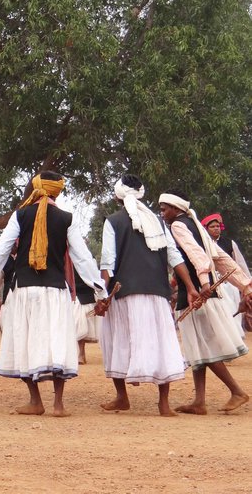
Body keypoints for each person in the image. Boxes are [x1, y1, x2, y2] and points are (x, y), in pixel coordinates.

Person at [0, 172, 106, 417]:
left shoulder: (20, 215)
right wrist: (100, 290)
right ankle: (58, 404)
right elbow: (83, 259)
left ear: (35, 188)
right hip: (55, 290)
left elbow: (1, 251)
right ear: (57, 191)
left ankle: (35, 401)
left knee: (24, 341)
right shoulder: (67, 218)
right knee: (57, 341)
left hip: (23, 290)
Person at [97, 175, 194, 416]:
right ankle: (163, 404)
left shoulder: (113, 221)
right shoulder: (158, 222)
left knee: (118, 340)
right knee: (162, 343)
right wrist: (191, 287)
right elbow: (175, 257)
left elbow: (108, 261)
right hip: (157, 292)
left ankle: (122, 397)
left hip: (124, 292)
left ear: (118, 195)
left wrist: (102, 293)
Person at [159, 190, 252, 414]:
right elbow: (220, 258)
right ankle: (199, 401)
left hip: (195, 294)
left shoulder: (178, 226)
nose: (162, 214)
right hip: (204, 292)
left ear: (176, 208)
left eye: (164, 209)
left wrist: (201, 284)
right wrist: (246, 285)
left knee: (204, 349)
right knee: (197, 348)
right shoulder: (195, 225)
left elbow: (198, 257)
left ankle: (236, 391)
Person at [201, 213, 249, 336]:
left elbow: (240, 263)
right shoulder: (202, 244)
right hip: (213, 284)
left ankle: (237, 335)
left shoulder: (229, 243)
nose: (216, 228)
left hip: (230, 283)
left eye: (218, 226)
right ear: (206, 229)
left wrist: (246, 284)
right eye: (212, 227)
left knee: (233, 307)